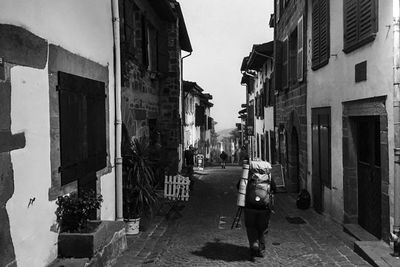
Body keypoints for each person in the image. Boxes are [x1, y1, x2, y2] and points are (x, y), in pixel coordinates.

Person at [240, 161, 276, 260]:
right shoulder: (268, 176)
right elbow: (274, 189)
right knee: (263, 229)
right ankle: (261, 250)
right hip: (264, 208)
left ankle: (253, 246)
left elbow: (239, 186)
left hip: (250, 207)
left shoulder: (248, 174)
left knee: (251, 227)